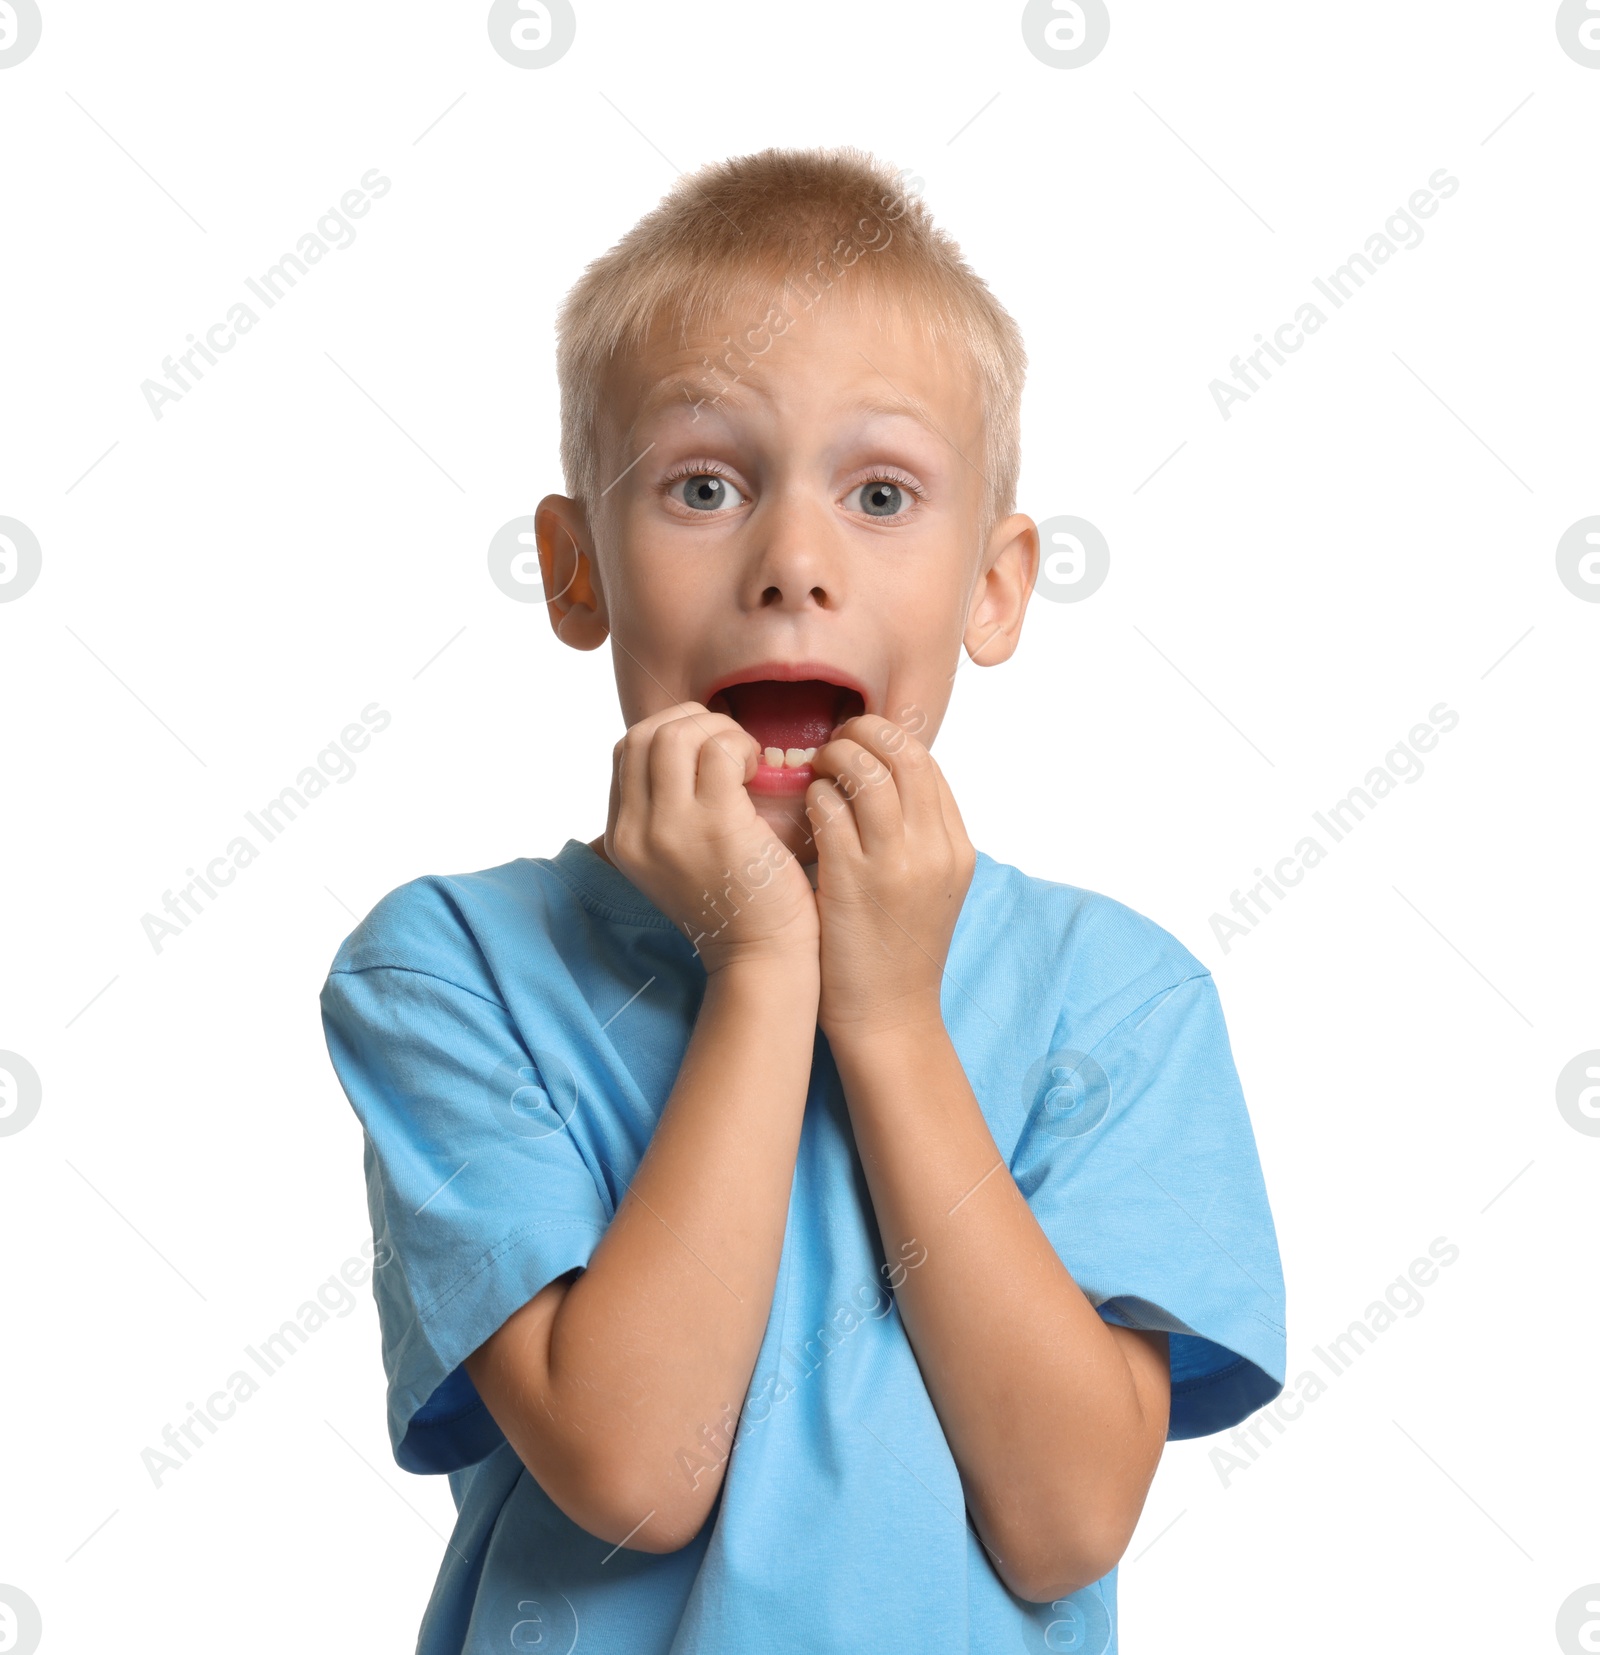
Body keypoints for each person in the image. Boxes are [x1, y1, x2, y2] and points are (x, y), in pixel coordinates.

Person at [319, 145, 1286, 1655]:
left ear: (996, 584)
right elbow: (634, 1476)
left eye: (882, 493)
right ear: (578, 574)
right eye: (703, 485)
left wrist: (889, 1018)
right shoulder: (449, 971)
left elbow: (1063, 1520)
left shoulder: (1118, 998)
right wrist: (765, 972)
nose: (792, 563)